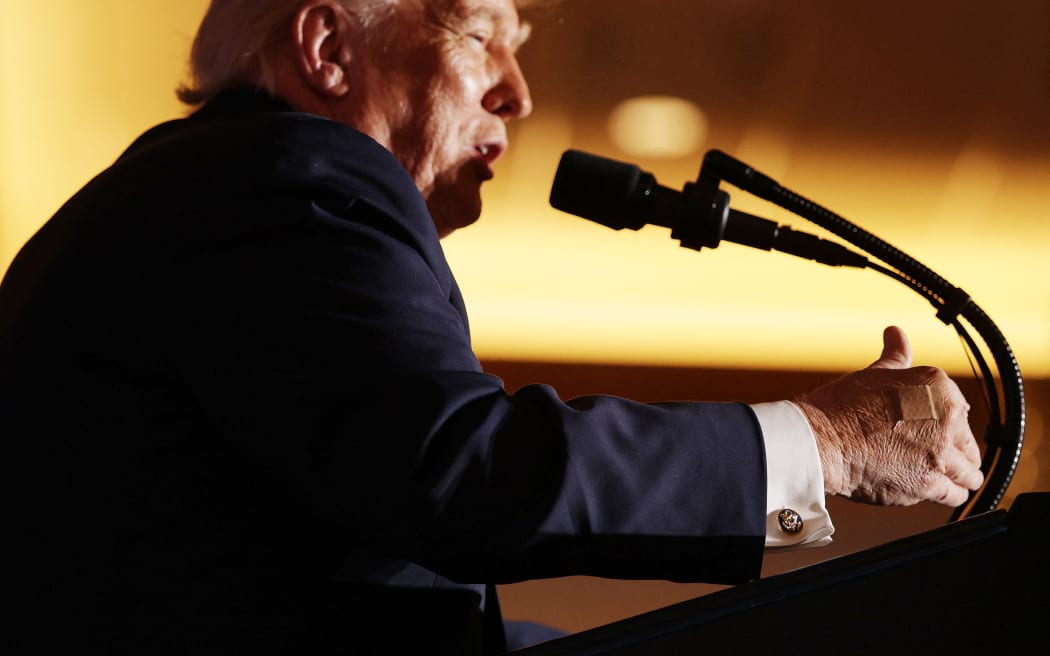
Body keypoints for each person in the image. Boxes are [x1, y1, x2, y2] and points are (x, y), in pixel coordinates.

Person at [1, 0, 983, 653]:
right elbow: (460, 471)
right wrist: (828, 442)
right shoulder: (287, 176)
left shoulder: (205, 194)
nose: (517, 91)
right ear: (327, 50)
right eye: (480, 33)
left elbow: (319, 576)